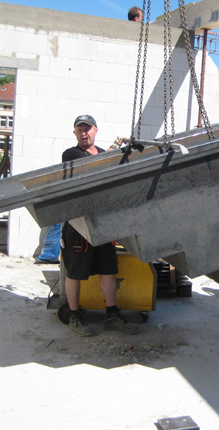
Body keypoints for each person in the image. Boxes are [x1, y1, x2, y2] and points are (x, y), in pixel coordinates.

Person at [61, 114, 137, 337]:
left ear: (95, 130)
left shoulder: (105, 154)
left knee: (108, 270)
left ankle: (112, 316)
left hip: (102, 223)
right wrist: (114, 151)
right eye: (80, 129)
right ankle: (75, 316)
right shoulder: (71, 154)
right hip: (78, 223)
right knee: (75, 272)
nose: (84, 133)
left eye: (87, 129)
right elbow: (88, 171)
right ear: (75, 133)